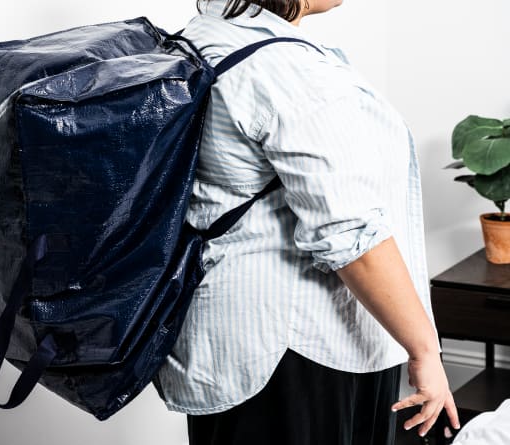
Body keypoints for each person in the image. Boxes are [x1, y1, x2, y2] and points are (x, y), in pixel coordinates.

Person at [151, 1, 461, 444]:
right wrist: (425, 349)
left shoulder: (205, 37)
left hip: (229, 342)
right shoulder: (285, 69)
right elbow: (351, 235)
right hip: (300, 349)